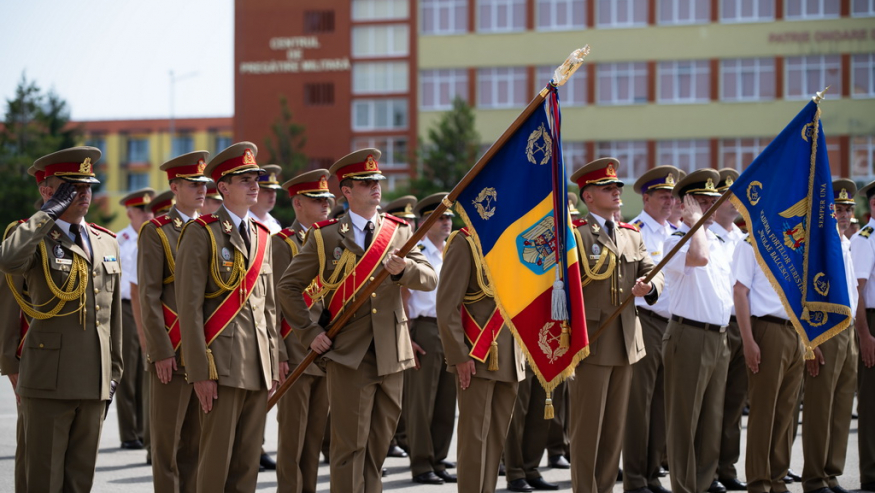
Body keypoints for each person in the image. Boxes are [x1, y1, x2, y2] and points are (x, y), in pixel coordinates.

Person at [276, 148, 437, 493]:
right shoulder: (327, 236)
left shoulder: (399, 231)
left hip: (392, 353)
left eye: (377, 181)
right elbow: (288, 287)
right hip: (349, 354)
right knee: (349, 448)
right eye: (366, 183)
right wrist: (308, 331)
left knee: (378, 448)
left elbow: (429, 278)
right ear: (347, 191)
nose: (375, 187)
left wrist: (404, 269)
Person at [0, 146, 123, 492]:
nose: (83, 194)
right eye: (71, 186)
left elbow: (111, 317)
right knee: (42, 479)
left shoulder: (106, 242)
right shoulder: (30, 236)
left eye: (87, 186)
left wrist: (114, 372)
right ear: (46, 190)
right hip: (48, 381)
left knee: (79, 481)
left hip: (94, 381)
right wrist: (48, 213)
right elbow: (7, 263)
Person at [175, 142, 279, 492]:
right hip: (221, 366)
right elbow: (188, 308)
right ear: (223, 187)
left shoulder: (263, 236)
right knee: (215, 462)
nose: (255, 185)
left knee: (247, 463)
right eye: (245, 179)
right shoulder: (201, 232)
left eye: (256, 179)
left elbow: (268, 308)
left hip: (257, 366)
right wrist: (199, 371)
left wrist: (275, 360)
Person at [568, 158, 663, 493]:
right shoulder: (576, 235)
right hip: (591, 343)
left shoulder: (631, 235)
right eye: (607, 188)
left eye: (617, 187)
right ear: (588, 196)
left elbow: (653, 271)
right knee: (587, 431)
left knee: (613, 431)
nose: (616, 192)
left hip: (626, 343)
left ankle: (605, 488)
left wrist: (649, 287)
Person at [137, 151, 210, 492]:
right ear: (175, 186)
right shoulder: (157, 232)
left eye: (204, 183)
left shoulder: (210, 230)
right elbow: (149, 296)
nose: (202, 190)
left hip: (205, 351)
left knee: (196, 444)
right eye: (193, 184)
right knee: (167, 445)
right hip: (173, 351)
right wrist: (161, 350)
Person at [437, 220, 526, 493]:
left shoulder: (516, 240)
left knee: (496, 440)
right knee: (475, 441)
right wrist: (459, 355)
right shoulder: (465, 242)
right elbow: (446, 305)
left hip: (511, 354)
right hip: (477, 355)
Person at [662, 169, 733, 493]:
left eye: (709, 201)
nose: (707, 207)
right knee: (684, 421)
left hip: (719, 337)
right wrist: (693, 223)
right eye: (699, 202)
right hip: (688, 336)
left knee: (711, 420)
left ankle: (703, 484)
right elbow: (699, 258)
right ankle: (684, 486)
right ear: (683, 205)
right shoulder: (674, 240)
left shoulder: (717, 240)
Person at [273, 168, 334, 493]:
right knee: (292, 439)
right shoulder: (283, 243)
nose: (325, 204)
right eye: (317, 199)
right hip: (295, 351)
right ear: (298, 203)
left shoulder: (331, 239)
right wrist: (279, 353)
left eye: (327, 198)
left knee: (314, 439)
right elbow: (278, 301)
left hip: (324, 352)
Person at [623, 165, 681, 493]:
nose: (669, 201)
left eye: (672, 196)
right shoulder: (635, 232)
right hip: (644, 322)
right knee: (639, 405)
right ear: (646, 198)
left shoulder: (675, 231)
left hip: (672, 324)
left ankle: (652, 472)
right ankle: (634, 478)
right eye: (663, 196)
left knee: (662, 405)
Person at [734, 225, 804, 493]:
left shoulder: (796, 241)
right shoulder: (750, 242)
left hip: (795, 330)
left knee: (786, 412)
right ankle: (759, 482)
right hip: (767, 328)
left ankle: (777, 478)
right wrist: (749, 340)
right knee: (764, 411)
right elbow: (740, 292)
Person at [800, 178, 858, 493]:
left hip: (847, 331)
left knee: (840, 405)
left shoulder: (845, 241)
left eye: (848, 208)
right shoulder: (817, 243)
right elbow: (806, 294)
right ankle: (813, 476)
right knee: (820, 406)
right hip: (826, 331)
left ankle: (831, 471)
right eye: (838, 208)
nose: (845, 213)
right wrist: (811, 341)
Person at [404, 193, 457, 485]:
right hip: (423, 327)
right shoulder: (416, 251)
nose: (448, 222)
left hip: (450, 329)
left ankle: (438, 459)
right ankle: (421, 463)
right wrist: (406, 336)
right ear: (425, 221)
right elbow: (403, 295)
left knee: (446, 400)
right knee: (421, 401)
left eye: (450, 217)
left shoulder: (452, 250)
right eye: (442, 217)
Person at [710, 168, 748, 492]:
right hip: (716, 326)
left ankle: (727, 467)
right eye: (727, 196)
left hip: (742, 324)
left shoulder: (741, 237)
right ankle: (706, 470)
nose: (733, 202)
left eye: (736, 196)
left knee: (734, 403)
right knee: (711, 404)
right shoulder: (704, 234)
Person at [116, 188, 155, 453]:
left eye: (149, 209)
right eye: (140, 210)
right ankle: (129, 432)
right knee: (128, 370)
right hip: (126, 308)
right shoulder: (119, 240)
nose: (146, 214)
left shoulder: (154, 236)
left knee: (146, 370)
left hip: (150, 307)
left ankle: (144, 429)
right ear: (129, 212)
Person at [849, 179, 875, 493]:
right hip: (872, 319)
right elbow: (857, 291)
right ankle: (870, 472)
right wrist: (865, 335)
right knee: (870, 401)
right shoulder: (865, 239)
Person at [250, 164, 283, 234]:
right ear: (255, 191)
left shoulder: (276, 225)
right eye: (267, 191)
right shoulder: (243, 221)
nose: (272, 195)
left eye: (274, 190)